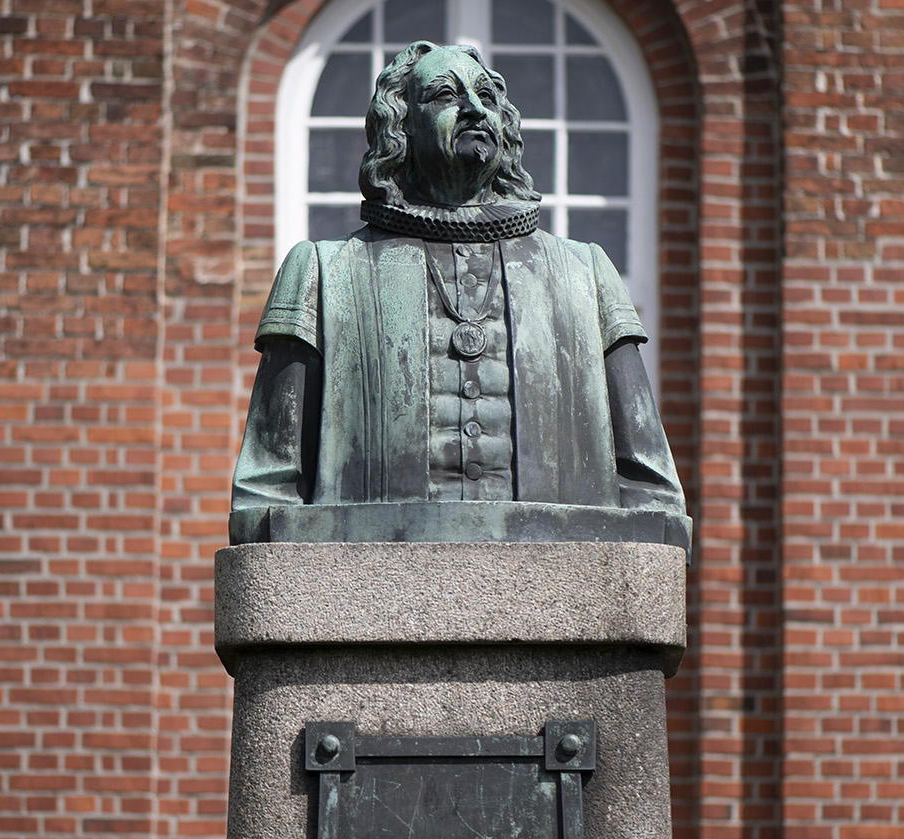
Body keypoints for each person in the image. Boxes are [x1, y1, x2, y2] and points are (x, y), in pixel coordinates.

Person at [230, 41, 689, 550]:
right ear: (398, 128)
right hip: (373, 580)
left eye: (487, 97)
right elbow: (265, 493)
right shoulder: (321, 271)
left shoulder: (585, 272)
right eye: (445, 95)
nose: (473, 107)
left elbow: (652, 493)